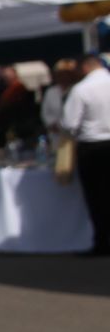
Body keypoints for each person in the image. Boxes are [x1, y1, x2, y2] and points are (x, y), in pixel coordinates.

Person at [61, 52, 110, 256]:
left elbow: (69, 124)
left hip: (92, 147)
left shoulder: (81, 89)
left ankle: (103, 242)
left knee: (97, 197)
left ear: (84, 67)